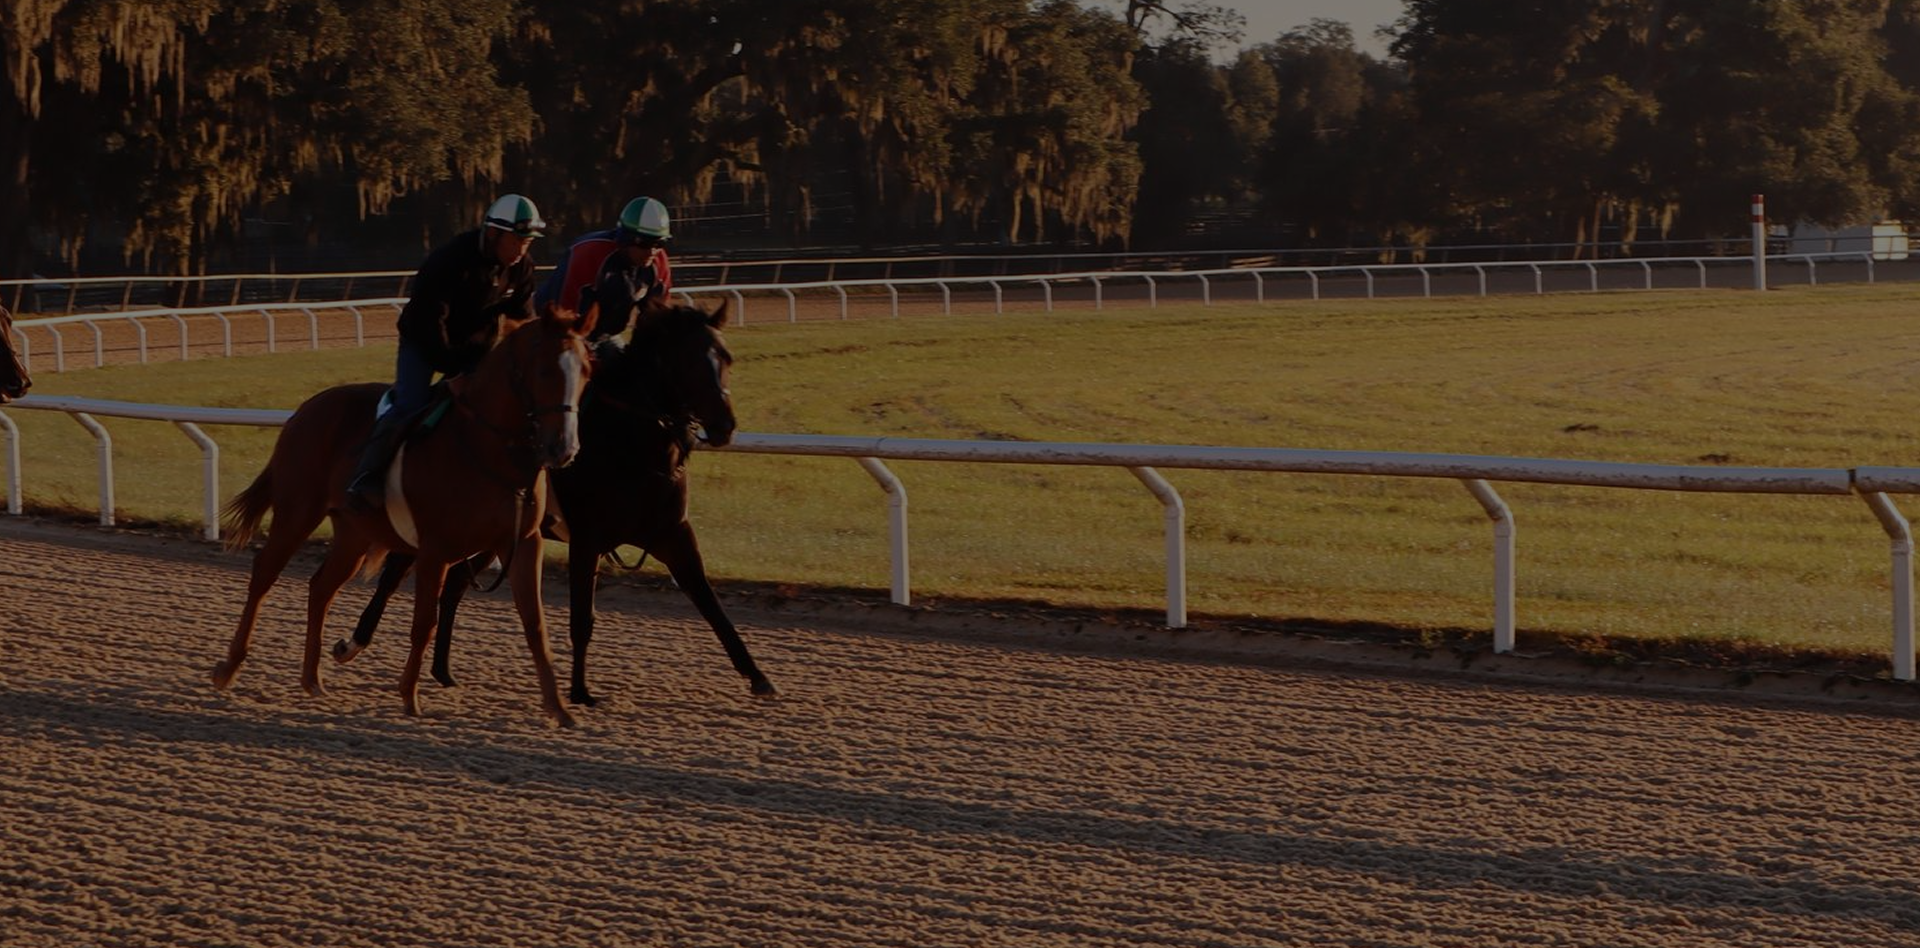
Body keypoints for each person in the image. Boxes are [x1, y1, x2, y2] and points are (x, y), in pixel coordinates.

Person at [343, 193, 547, 510]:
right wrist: (453, 373)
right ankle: (367, 477)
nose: (522, 249)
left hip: (475, 348)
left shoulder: (522, 268)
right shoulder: (451, 260)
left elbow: (522, 321)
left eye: (528, 242)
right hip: (424, 340)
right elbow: (429, 322)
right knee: (411, 403)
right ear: (493, 233)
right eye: (517, 240)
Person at [533, 195, 673, 344]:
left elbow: (658, 322)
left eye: (659, 243)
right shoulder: (589, 253)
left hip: (604, 334)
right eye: (644, 243)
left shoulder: (659, 261)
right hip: (551, 327)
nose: (652, 251)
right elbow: (565, 314)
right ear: (625, 239)